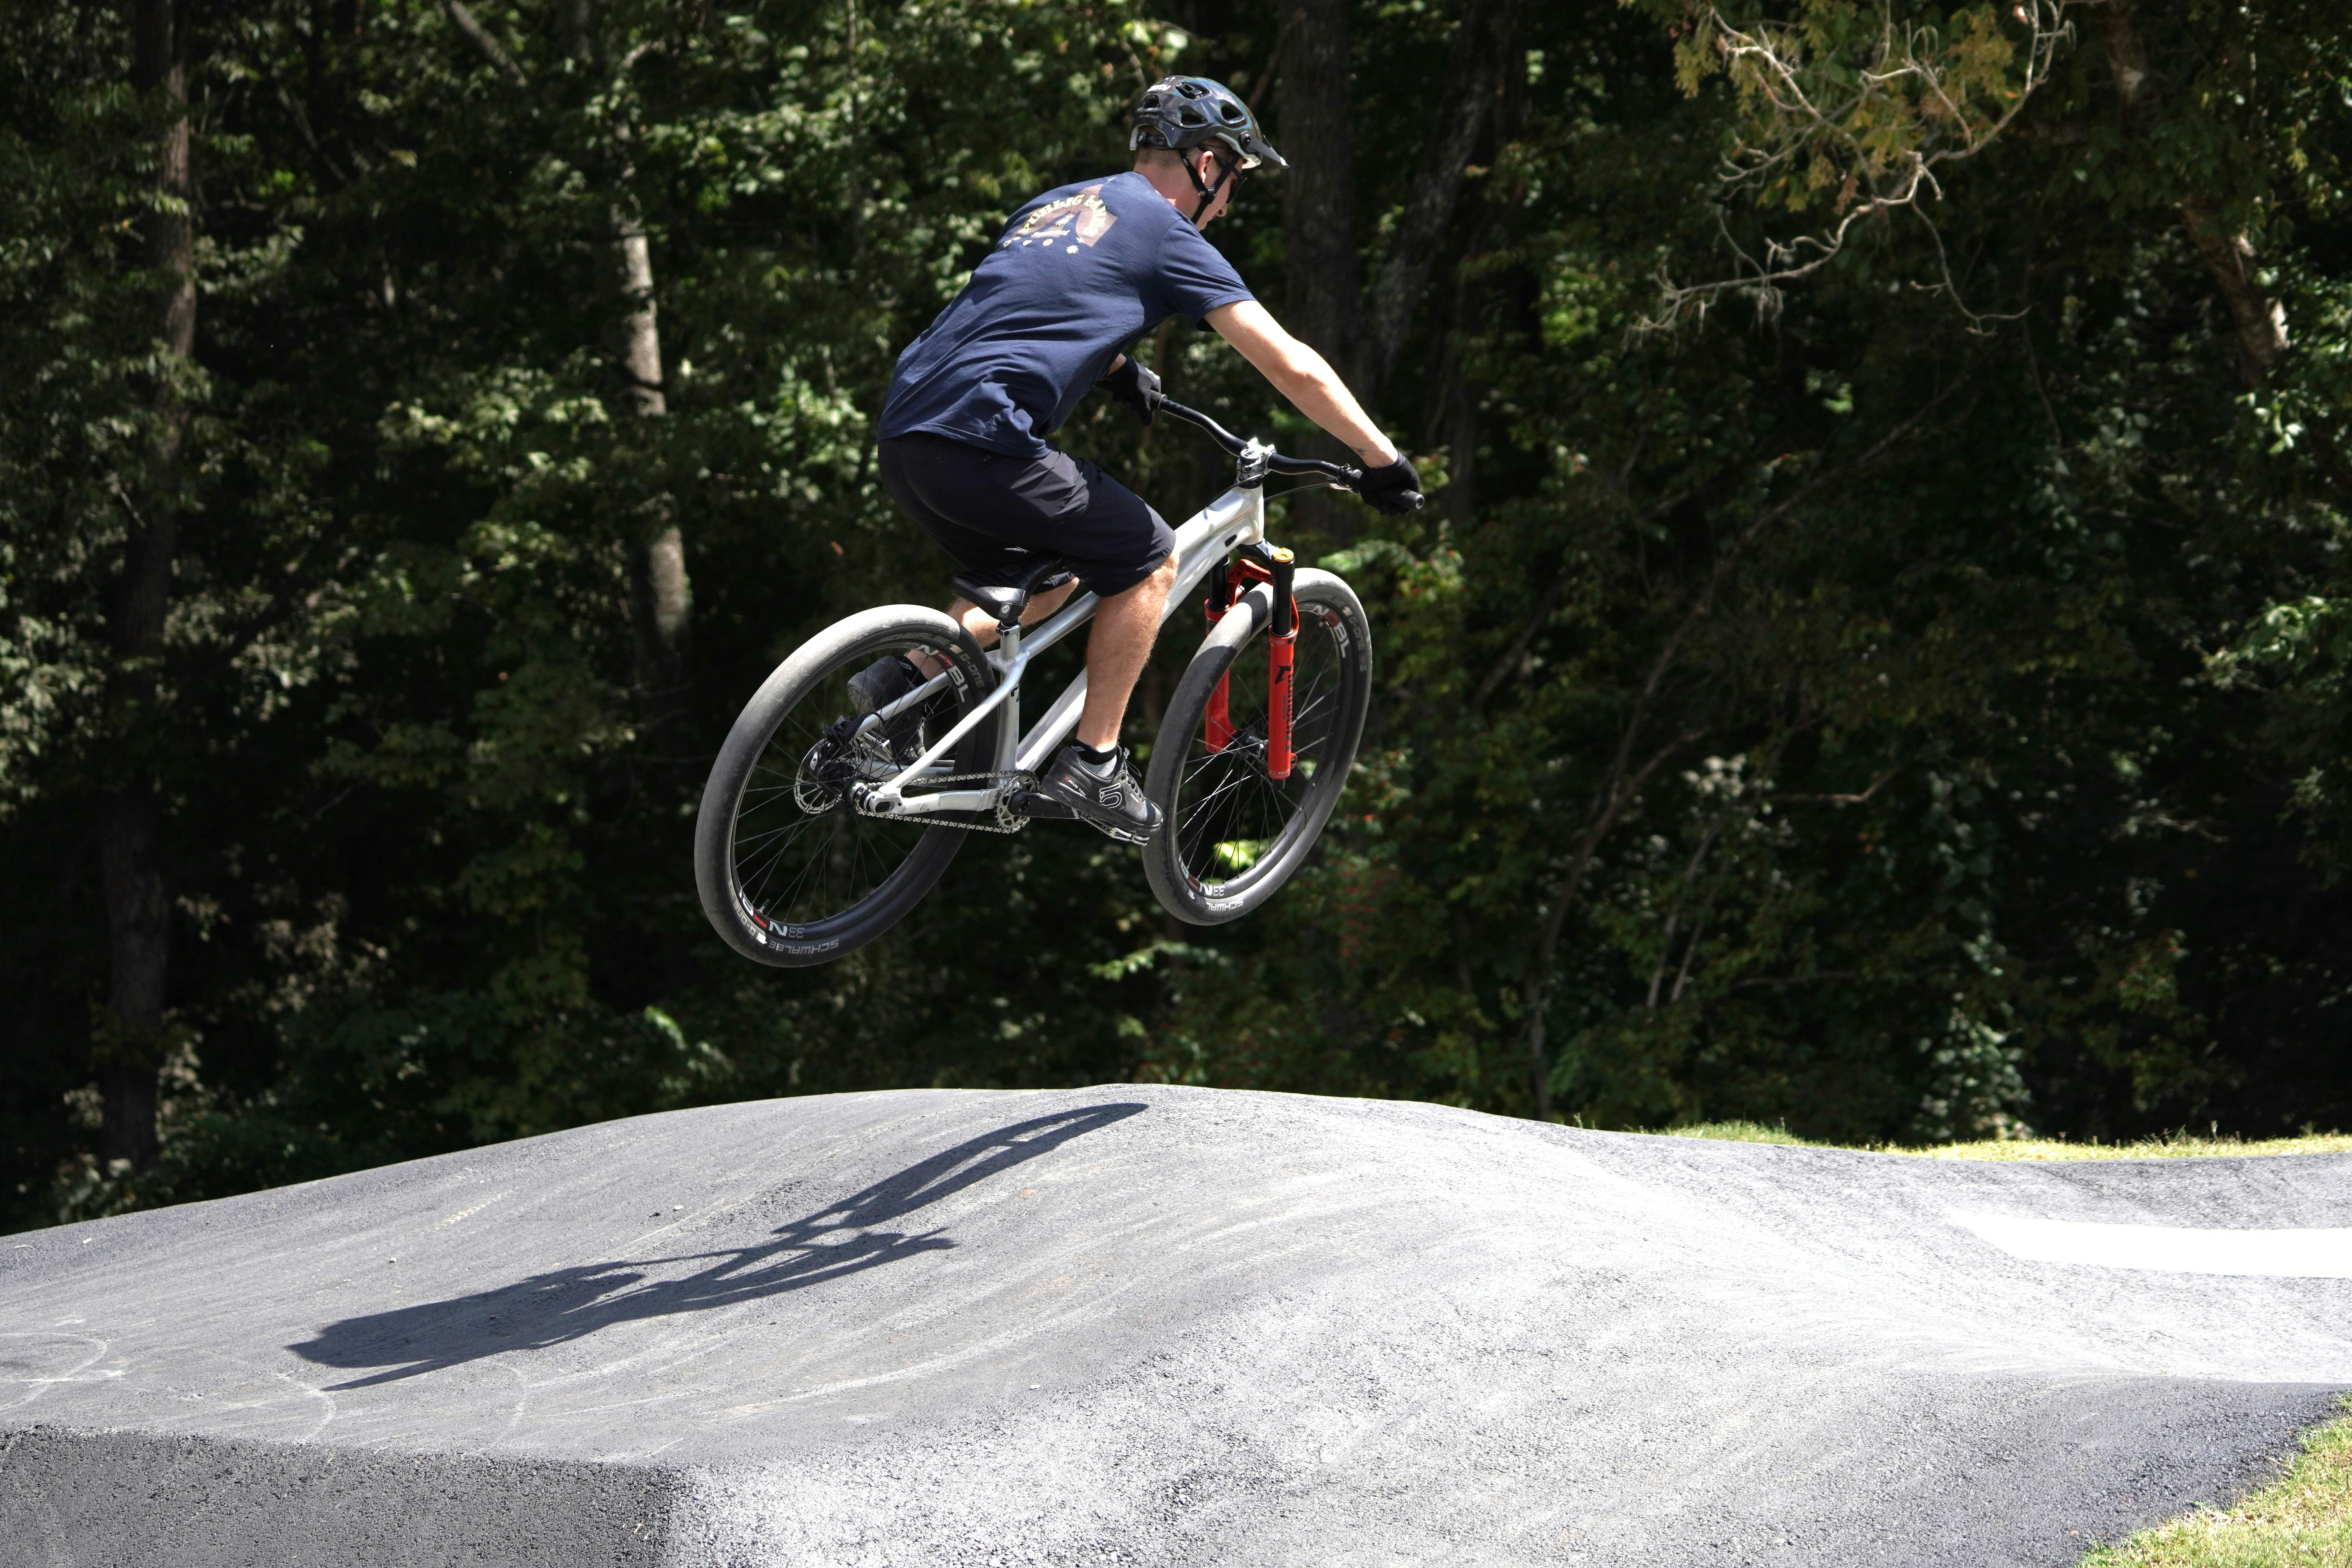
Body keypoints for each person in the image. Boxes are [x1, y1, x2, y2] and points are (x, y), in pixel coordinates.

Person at [858, 76, 1420, 844]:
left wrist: (1118, 371)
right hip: (984, 437)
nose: (1226, 207)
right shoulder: (1166, 231)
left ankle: (888, 698)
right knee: (1150, 555)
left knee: (1047, 577)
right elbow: (1291, 365)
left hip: (908, 432)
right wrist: (1379, 458)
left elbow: (1028, 304)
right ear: (1205, 162)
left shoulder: (1057, 205)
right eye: (1232, 182)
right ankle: (1094, 762)